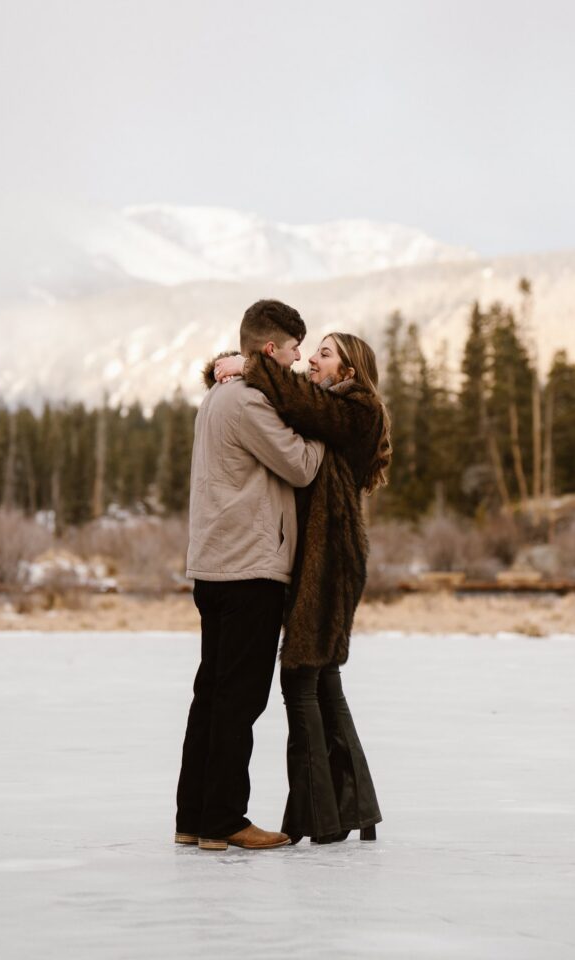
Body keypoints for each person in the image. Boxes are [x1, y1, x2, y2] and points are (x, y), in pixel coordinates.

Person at [213, 332, 391, 844]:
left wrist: (247, 365)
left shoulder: (356, 408)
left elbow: (293, 400)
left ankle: (319, 818)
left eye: (325, 353)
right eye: (314, 350)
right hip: (321, 559)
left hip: (328, 563)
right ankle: (354, 811)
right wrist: (234, 372)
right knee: (323, 682)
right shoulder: (329, 410)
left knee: (300, 681)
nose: (313, 358)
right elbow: (283, 407)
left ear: (350, 371)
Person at [175, 300, 324, 851]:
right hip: (248, 568)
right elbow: (303, 466)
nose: (299, 359)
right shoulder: (248, 402)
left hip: (216, 565)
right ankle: (223, 822)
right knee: (239, 698)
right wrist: (320, 424)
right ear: (269, 350)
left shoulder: (219, 395)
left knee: (211, 695)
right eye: (292, 350)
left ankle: (193, 818)